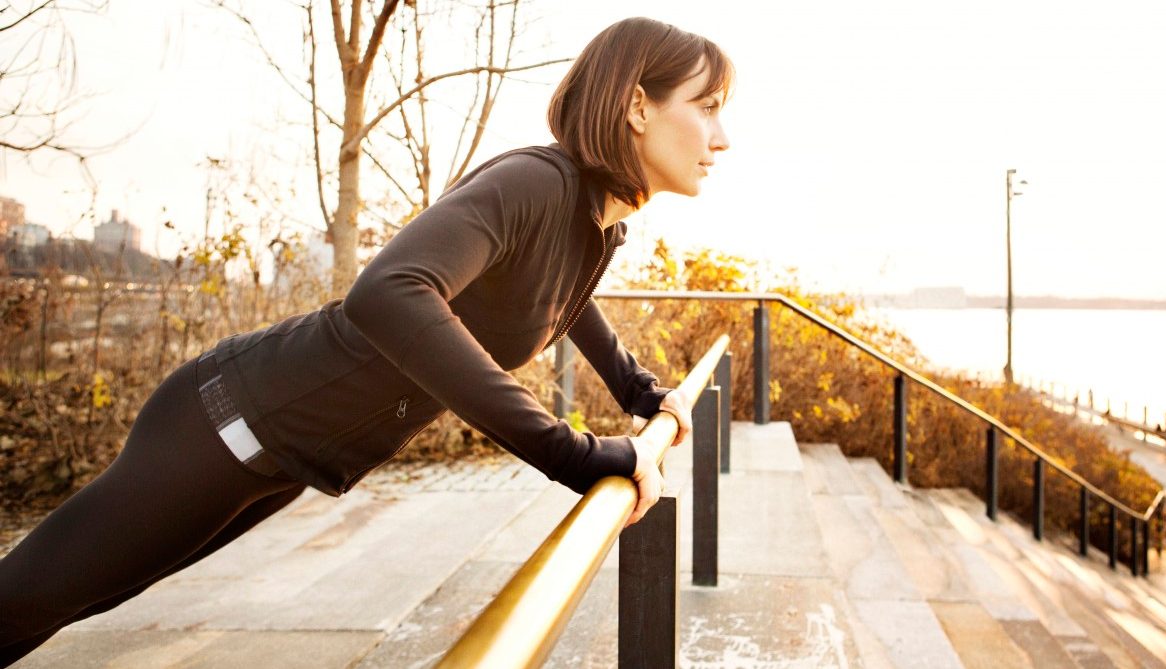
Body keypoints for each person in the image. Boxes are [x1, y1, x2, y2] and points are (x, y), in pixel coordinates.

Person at [0, 16, 732, 663]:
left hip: (282, 458)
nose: (721, 139)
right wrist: (572, 453)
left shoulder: (590, 226)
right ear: (638, 105)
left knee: (72, 602)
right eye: (707, 108)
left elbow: (560, 300)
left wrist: (638, 388)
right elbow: (389, 291)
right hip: (225, 420)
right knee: (29, 599)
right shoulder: (534, 183)